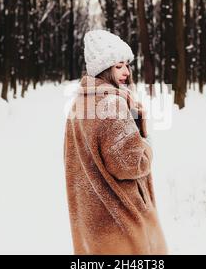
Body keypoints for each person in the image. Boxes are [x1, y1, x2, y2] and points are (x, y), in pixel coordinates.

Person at [63, 29, 168, 255]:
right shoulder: (112, 104)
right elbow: (132, 163)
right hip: (121, 226)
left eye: (127, 65)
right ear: (104, 68)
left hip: (93, 223)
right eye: (118, 65)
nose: (126, 72)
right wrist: (145, 142)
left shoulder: (78, 104)